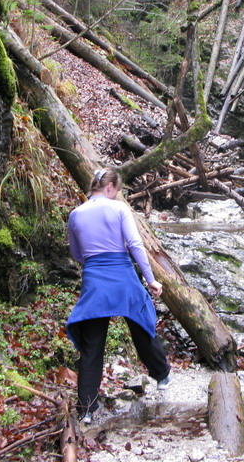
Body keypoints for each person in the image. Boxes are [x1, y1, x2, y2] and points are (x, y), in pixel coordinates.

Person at [65, 168, 171, 424]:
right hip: (123, 277)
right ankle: (162, 375)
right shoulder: (120, 209)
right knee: (141, 326)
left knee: (92, 345)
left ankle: (87, 409)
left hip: (95, 280)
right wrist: (151, 279)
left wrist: (95, 260)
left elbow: (77, 254)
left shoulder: (75, 214)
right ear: (110, 187)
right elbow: (135, 244)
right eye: (117, 191)